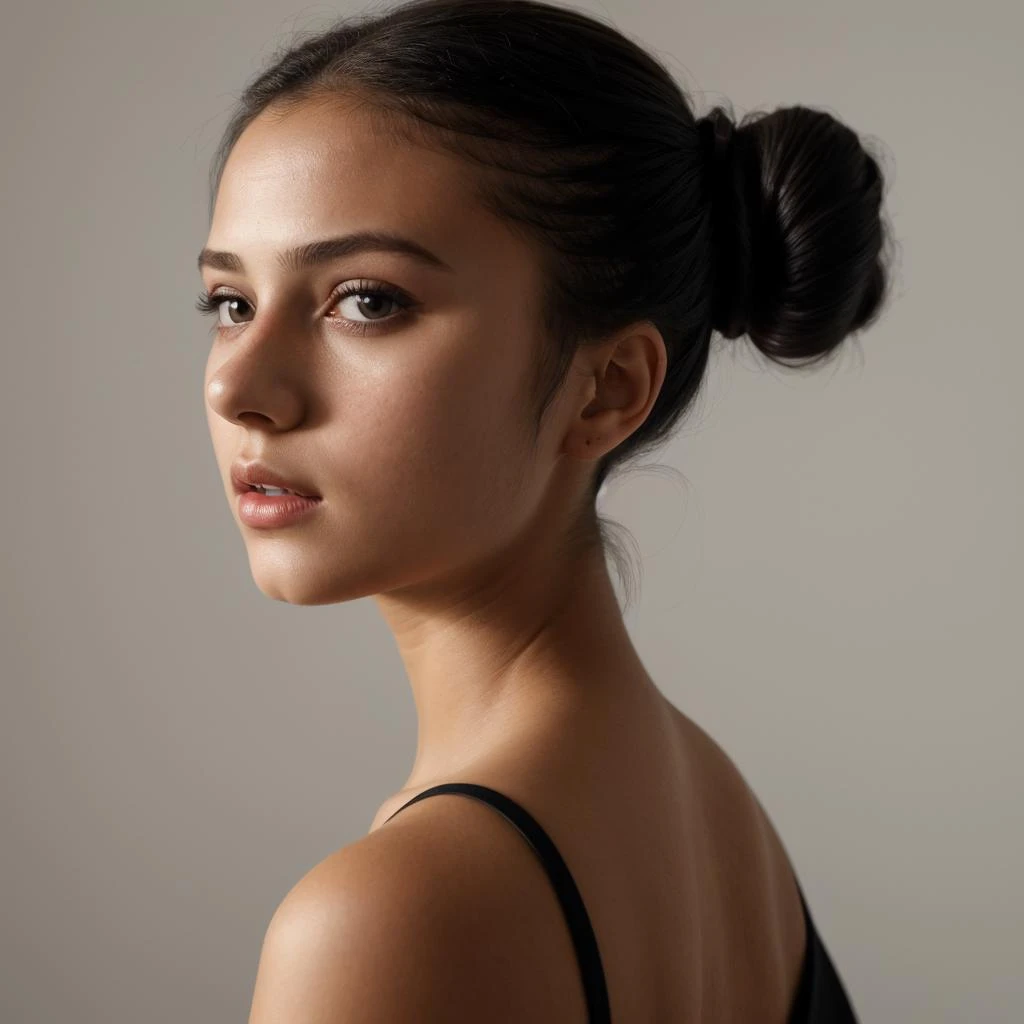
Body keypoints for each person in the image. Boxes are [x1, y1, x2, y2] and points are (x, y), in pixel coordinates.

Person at [197, 1, 893, 1019]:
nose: (239, 387)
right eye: (230, 303)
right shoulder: (722, 820)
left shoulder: (385, 920)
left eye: (366, 300)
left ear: (606, 388)